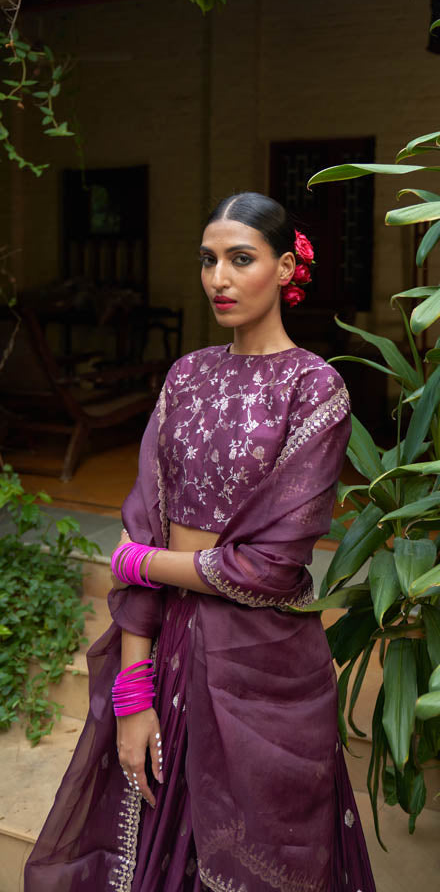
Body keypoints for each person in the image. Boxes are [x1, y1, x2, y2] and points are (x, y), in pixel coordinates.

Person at [25, 192, 376, 892]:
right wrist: (133, 691)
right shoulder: (186, 377)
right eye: (209, 260)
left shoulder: (316, 389)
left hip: (262, 665)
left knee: (264, 858)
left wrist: (140, 561)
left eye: (240, 259)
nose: (218, 277)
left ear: (284, 268)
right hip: (170, 646)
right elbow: (146, 517)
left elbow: (273, 569)